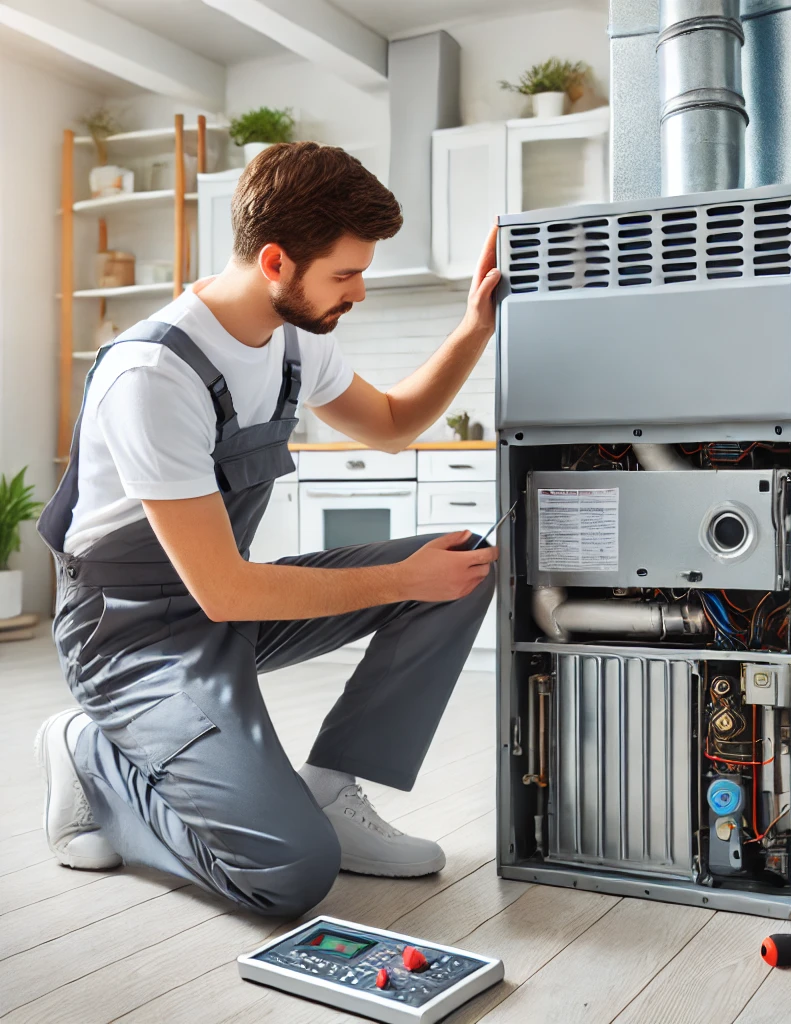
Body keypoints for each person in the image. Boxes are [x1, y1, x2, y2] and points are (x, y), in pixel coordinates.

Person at [34, 141, 500, 918]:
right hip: (131, 637)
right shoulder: (156, 373)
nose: (359, 292)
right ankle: (90, 756)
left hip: (225, 612)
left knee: (466, 565)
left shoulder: (294, 339)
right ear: (278, 261)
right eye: (346, 274)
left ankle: (330, 789)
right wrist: (398, 579)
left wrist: (475, 326)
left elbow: (389, 425)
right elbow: (220, 588)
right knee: (286, 875)